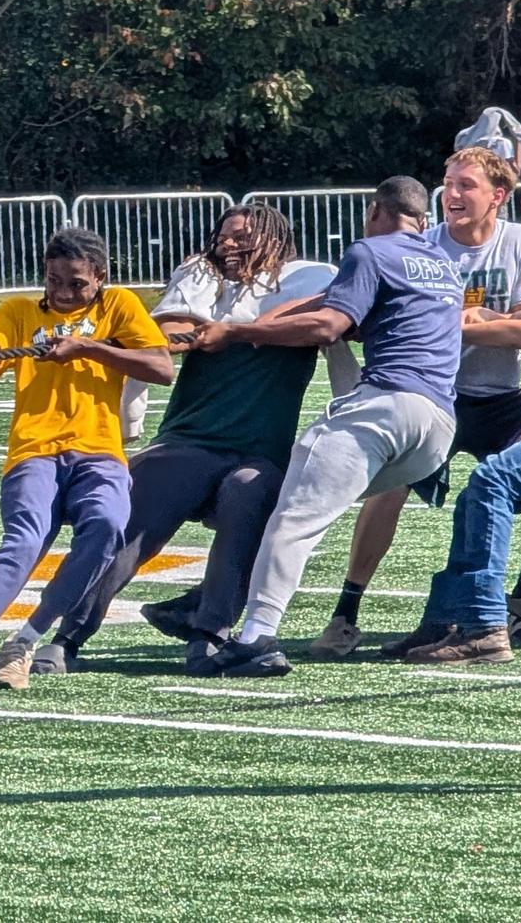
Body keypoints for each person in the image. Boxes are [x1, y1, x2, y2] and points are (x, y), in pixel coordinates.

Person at [32, 205, 353, 677]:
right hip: (191, 439)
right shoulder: (203, 278)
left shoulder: (307, 280)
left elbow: (329, 316)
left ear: (276, 240)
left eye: (241, 237)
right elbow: (168, 332)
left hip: (257, 451)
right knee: (130, 521)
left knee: (253, 496)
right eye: (222, 236)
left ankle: (208, 636)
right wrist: (198, 331)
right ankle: (66, 636)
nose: (227, 245)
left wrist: (241, 329)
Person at [196, 176, 463, 678]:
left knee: (295, 516)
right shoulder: (444, 264)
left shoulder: (370, 250)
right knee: (301, 501)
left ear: (374, 211)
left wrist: (235, 330)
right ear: (423, 220)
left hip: (385, 408)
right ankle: (213, 594)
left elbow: (329, 325)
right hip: (437, 430)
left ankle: (255, 636)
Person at [319, 147, 521, 663]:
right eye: (448, 183)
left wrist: (465, 322)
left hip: (499, 395)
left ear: (498, 195)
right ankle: (346, 612)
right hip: (435, 394)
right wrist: (481, 321)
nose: (450, 195)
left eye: (465, 185)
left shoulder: (520, 240)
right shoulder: (422, 246)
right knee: (387, 489)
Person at [0, 227, 174, 700]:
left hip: (100, 450)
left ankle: (26, 639)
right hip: (34, 449)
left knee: (108, 528)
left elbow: (161, 367)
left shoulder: (120, 307)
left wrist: (91, 347)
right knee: (24, 540)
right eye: (54, 281)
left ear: (101, 278)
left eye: (77, 284)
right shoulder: (18, 311)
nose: (64, 293)